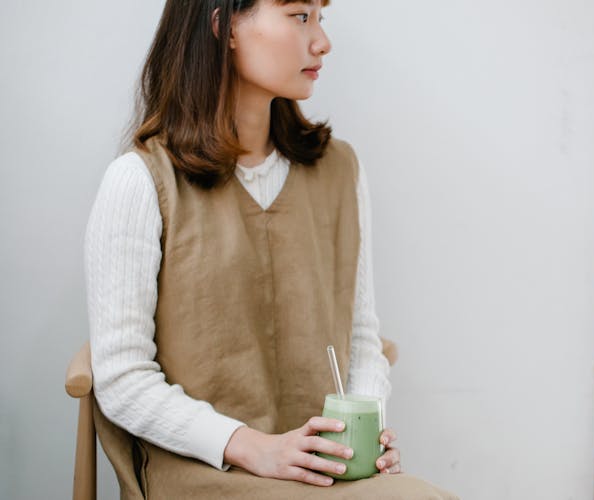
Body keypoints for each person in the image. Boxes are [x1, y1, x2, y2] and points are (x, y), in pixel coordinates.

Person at [84, 0, 459, 498]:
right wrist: (250, 445)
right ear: (224, 26)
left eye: (321, 18)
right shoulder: (139, 181)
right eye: (299, 15)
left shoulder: (340, 170)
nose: (322, 41)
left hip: (325, 469)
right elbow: (123, 378)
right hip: (207, 472)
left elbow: (362, 340)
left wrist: (364, 434)